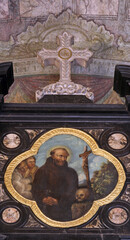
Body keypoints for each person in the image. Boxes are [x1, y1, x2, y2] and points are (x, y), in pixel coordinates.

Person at [32, 148, 78, 221]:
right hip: (44, 209)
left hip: (63, 210)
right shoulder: (42, 171)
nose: (63, 159)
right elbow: (35, 189)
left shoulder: (71, 173)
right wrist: (43, 199)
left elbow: (72, 192)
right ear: (53, 156)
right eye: (60, 156)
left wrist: (58, 201)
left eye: (65, 157)